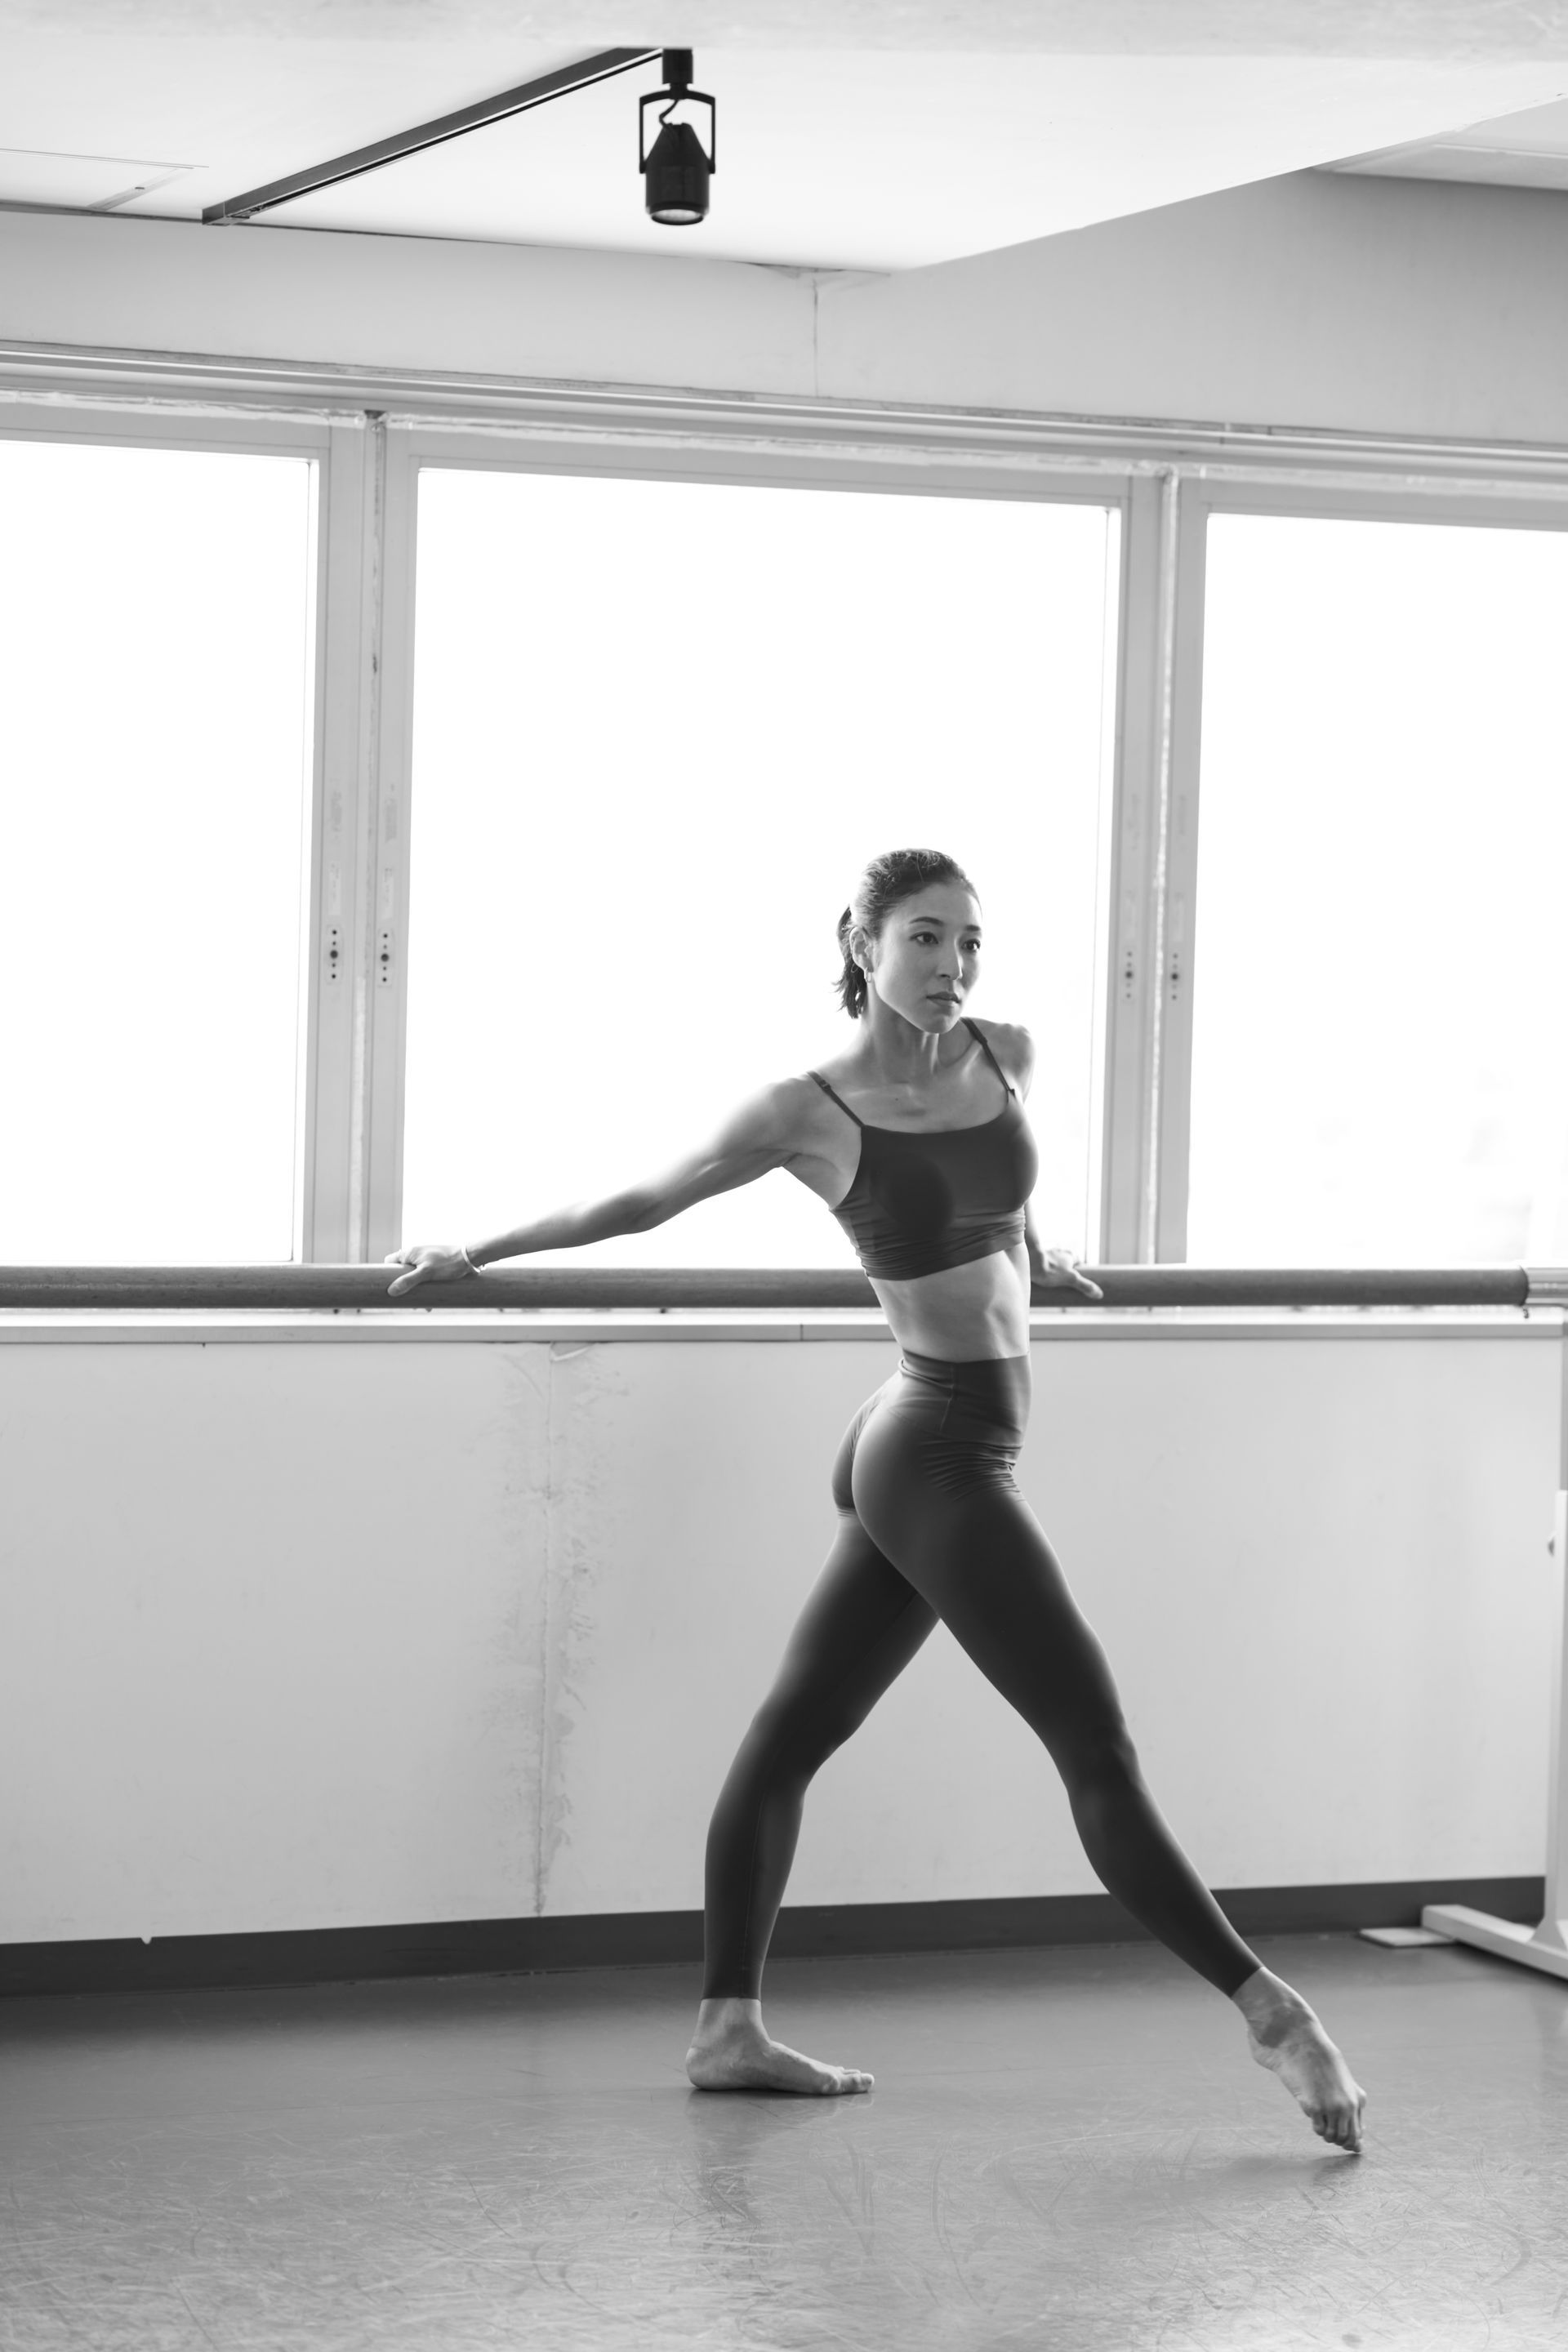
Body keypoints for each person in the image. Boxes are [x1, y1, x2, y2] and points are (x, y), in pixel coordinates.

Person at [386, 845, 1366, 2152]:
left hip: (942, 1437)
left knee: (793, 1736)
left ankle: (726, 2030)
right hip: (934, 1450)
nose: (951, 966)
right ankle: (1275, 2017)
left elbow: (1001, 1195)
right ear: (859, 942)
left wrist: (1039, 1247)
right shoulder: (809, 1107)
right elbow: (638, 1198)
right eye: (922, 938)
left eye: (968, 941)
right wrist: (477, 1247)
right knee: (1097, 1750)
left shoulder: (1008, 1052)